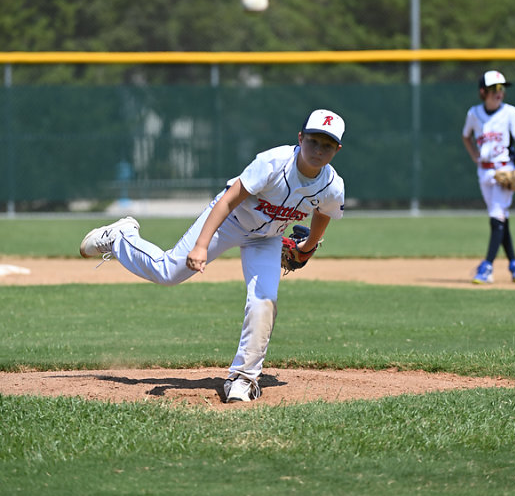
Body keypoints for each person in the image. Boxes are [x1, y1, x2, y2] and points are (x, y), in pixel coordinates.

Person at [80, 109, 345, 402]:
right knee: (168, 272)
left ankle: (244, 378)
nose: (318, 150)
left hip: (266, 239)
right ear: (300, 138)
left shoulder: (332, 186)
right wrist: (201, 245)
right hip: (230, 219)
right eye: (313, 141)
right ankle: (121, 237)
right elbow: (228, 200)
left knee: (264, 301)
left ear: (337, 149)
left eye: (327, 145)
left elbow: (323, 213)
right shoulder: (273, 163)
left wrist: (307, 248)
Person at [462, 70, 515, 284]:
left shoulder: (510, 112)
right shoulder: (474, 114)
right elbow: (466, 136)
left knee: (496, 216)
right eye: (494, 89)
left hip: (504, 170)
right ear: (483, 92)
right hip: (484, 172)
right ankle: (514, 264)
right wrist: (474, 156)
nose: (499, 93)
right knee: (500, 219)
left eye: (502, 89)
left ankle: (487, 266)